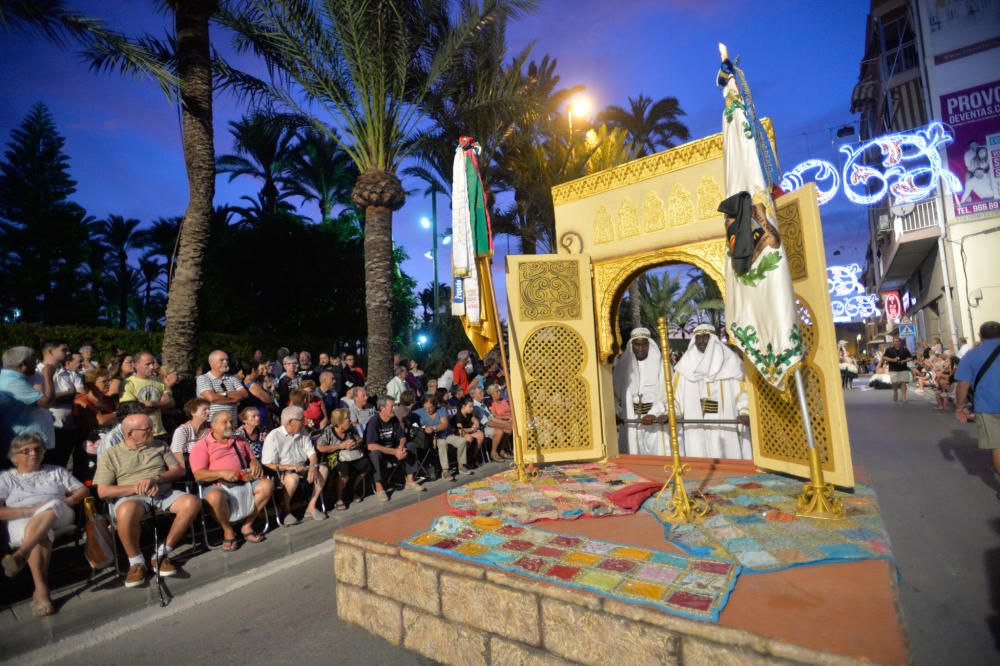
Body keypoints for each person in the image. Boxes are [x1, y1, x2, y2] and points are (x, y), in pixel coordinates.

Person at [93, 414, 201, 587]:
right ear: (130, 433)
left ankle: (161, 554)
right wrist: (136, 488)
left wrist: (157, 479)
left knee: (192, 502)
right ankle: (136, 562)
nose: (153, 431)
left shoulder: (160, 445)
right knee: (126, 511)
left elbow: (178, 471)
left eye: (152, 427)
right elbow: (103, 491)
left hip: (162, 492)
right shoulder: (111, 455)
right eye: (147, 429)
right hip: (132, 497)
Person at [0, 433, 88, 616]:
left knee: (53, 504)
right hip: (22, 519)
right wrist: (30, 511)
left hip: (60, 514)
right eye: (26, 451)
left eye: (37, 449)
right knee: (40, 534)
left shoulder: (56, 471)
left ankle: (20, 554)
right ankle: (41, 591)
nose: (33, 453)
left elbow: (82, 490)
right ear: (14, 457)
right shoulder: (5, 478)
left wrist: (70, 500)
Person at [189, 411, 274, 550]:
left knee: (267, 485)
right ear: (213, 425)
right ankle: (228, 531)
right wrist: (222, 473)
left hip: (244, 480)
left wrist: (254, 463)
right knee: (214, 497)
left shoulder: (239, 440)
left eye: (231, 422)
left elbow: (251, 457)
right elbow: (198, 474)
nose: (229, 425)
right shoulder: (202, 445)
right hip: (219, 484)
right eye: (225, 422)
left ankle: (247, 526)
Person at [672, 324, 751, 459]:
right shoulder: (684, 368)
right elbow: (675, 399)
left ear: (713, 339)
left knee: (728, 461)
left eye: (706, 337)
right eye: (698, 337)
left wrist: (744, 411)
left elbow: (742, 393)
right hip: (695, 429)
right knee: (698, 463)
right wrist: (672, 412)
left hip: (725, 425)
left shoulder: (731, 364)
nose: (702, 341)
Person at [955, 322, 1000, 497]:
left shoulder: (971, 355)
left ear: (980, 336)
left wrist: (960, 406)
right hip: (987, 406)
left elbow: (963, 384)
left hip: (988, 406)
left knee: (997, 446)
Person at [261, 406, 328, 523]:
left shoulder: (303, 432)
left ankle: (311, 507)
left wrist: (312, 466)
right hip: (283, 471)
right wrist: (291, 467)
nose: (305, 422)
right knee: (292, 478)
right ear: (290, 422)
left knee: (323, 469)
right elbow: (268, 463)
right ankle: (285, 510)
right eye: (302, 419)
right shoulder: (274, 436)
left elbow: (312, 454)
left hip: (302, 466)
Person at [612, 328, 666, 456]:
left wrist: (653, 413)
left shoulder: (662, 366)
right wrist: (616, 413)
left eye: (644, 344)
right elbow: (614, 394)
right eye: (637, 344)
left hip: (654, 422)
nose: (640, 348)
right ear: (632, 345)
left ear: (649, 345)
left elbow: (666, 394)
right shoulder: (622, 367)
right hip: (630, 420)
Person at [365, 396, 424, 502]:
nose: (394, 409)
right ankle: (379, 488)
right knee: (374, 454)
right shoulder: (374, 422)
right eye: (392, 406)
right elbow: (371, 445)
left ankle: (410, 481)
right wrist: (394, 452)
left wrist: (400, 448)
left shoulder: (394, 419)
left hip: (394, 449)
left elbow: (402, 437)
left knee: (410, 446)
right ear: (382, 408)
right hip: (382, 452)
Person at [0, 346, 56, 457]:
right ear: (23, 364)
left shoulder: (12, 378)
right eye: (33, 359)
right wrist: (48, 376)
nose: (37, 362)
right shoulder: (12, 382)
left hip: (27, 443)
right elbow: (46, 402)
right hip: (24, 446)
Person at [315, 408, 371, 510]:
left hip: (350, 454)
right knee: (344, 471)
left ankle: (351, 490)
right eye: (347, 420)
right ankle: (339, 498)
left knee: (365, 464)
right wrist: (340, 446)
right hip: (334, 456)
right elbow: (320, 447)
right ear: (340, 424)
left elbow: (359, 439)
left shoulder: (350, 429)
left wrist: (355, 443)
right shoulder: (328, 431)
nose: (350, 421)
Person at [120, 352, 173, 441]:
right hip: (140, 434)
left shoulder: (159, 381)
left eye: (153, 363)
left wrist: (151, 403)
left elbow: (170, 402)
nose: (152, 367)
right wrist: (160, 405)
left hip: (160, 433)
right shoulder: (128, 383)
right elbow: (132, 411)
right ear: (136, 365)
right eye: (148, 364)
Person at [413, 395, 457, 480]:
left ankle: (458, 466)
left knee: (460, 441)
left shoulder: (441, 410)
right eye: (425, 408)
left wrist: (433, 428)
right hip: (428, 439)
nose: (427, 410)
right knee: (442, 443)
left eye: (430, 408)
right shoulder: (419, 412)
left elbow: (444, 425)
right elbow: (409, 421)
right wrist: (422, 427)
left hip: (443, 435)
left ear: (435, 405)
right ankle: (445, 470)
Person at [196, 350, 247, 422]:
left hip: (231, 424)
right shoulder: (203, 378)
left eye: (227, 360)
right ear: (211, 363)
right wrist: (234, 400)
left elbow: (244, 394)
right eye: (221, 360)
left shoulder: (232, 378)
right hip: (211, 423)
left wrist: (223, 394)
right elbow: (212, 398)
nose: (226, 362)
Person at [170, 398, 211, 466]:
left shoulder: (211, 428)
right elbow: (177, 454)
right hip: (189, 466)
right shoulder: (182, 430)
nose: (209, 412)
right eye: (205, 409)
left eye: (209, 409)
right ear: (193, 412)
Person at [447, 397, 481, 477]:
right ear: (463, 406)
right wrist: (472, 428)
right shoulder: (458, 415)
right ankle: (463, 462)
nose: (472, 408)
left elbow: (476, 422)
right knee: (469, 438)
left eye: (472, 406)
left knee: (480, 435)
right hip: (456, 435)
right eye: (470, 406)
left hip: (467, 432)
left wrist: (475, 425)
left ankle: (472, 458)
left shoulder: (469, 413)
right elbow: (460, 432)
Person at [484, 383, 513, 460]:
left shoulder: (503, 401)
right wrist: (507, 417)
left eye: (499, 391)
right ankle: (500, 450)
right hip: (498, 421)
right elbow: (495, 416)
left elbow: (511, 410)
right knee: (508, 427)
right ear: (492, 394)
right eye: (497, 392)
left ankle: (503, 450)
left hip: (510, 419)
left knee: (511, 426)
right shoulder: (491, 404)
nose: (499, 393)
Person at [884, 337, 914, 403]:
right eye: (895, 341)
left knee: (903, 382)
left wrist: (904, 360)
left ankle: (903, 397)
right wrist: (893, 360)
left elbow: (910, 358)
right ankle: (895, 392)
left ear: (900, 342)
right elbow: (885, 357)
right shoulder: (889, 349)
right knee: (894, 382)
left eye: (897, 341)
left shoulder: (904, 349)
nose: (896, 342)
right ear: (893, 342)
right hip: (893, 368)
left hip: (903, 368)